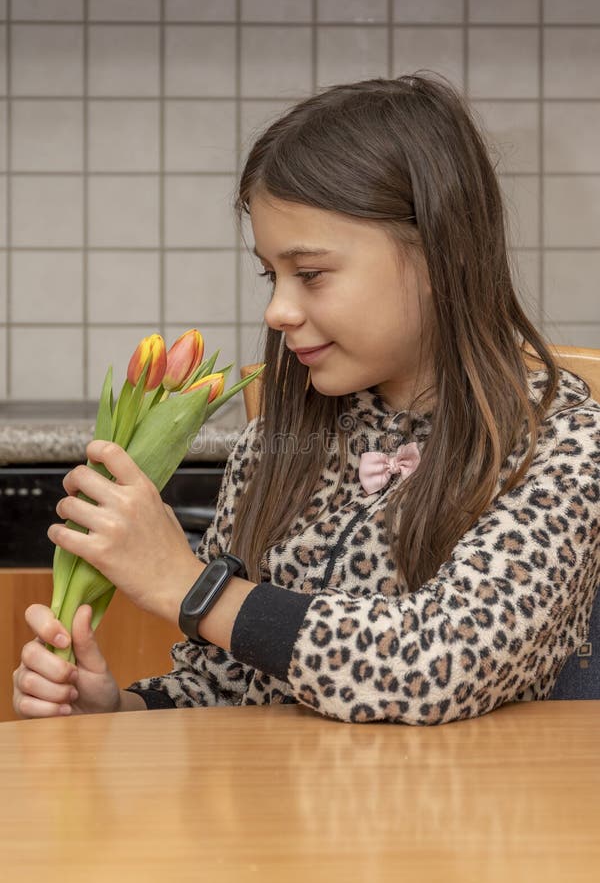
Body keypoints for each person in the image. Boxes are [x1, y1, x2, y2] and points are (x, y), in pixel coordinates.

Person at [13, 73, 600, 725]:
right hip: (276, 816)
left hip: (467, 821)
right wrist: (118, 708)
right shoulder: (277, 445)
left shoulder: (562, 443)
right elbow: (226, 684)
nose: (277, 310)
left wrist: (190, 587)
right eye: (272, 275)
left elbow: (439, 661)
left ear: (440, 256)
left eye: (310, 274)